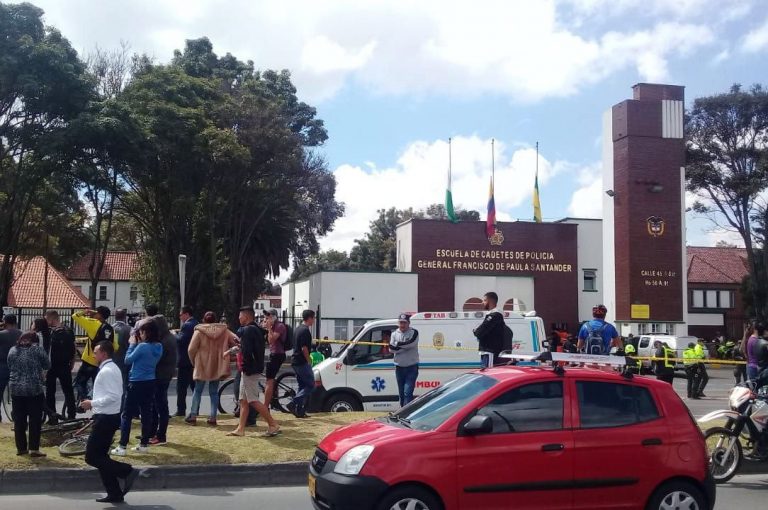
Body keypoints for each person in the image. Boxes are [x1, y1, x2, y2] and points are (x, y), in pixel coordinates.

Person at [81, 341, 147, 503]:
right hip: (106, 417)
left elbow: (114, 396)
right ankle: (114, 493)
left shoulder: (108, 371)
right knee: (101, 456)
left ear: (104, 354)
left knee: (91, 457)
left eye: (96, 352)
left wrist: (92, 403)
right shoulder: (109, 369)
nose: (93, 355)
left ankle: (127, 471)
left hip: (106, 419)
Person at [227, 306, 280, 437]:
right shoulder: (256, 329)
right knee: (243, 401)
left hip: (249, 370)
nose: (238, 318)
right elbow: (246, 348)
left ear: (246, 316)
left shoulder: (246, 330)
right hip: (252, 368)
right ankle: (240, 429)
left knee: (252, 400)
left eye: (240, 316)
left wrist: (235, 356)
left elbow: (246, 351)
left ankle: (273, 424)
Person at [111, 319, 162, 456]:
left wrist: (132, 345)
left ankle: (122, 446)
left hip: (136, 381)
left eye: (142, 332)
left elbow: (127, 360)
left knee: (127, 414)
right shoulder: (158, 346)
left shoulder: (142, 347)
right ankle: (144, 443)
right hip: (150, 381)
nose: (140, 334)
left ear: (147, 333)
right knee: (146, 412)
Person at [186, 311, 238, 425]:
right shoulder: (224, 331)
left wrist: (193, 361)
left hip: (201, 364)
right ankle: (213, 416)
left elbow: (191, 349)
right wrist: (230, 354)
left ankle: (193, 415)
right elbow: (237, 341)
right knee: (214, 392)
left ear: (204, 320)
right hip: (217, 363)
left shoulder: (199, 331)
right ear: (216, 319)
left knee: (197, 391)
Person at [7, 331, 50, 456]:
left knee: (19, 419)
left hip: (16, 388)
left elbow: (10, 365)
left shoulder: (12, 350)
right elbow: (47, 364)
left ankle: (21, 449)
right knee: (35, 419)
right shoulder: (37, 350)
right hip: (34, 389)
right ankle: (34, 449)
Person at [72, 307, 117, 407]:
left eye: (96, 312)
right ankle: (95, 404)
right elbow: (116, 347)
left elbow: (75, 316)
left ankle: (85, 402)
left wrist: (86, 311)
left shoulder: (93, 323)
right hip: (102, 363)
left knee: (79, 383)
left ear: (99, 315)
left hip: (89, 361)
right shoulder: (111, 329)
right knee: (98, 386)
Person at [43, 311, 77, 423]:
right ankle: (71, 416)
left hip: (52, 366)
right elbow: (73, 347)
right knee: (68, 391)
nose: (46, 322)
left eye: (46, 319)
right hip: (65, 365)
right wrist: (72, 362)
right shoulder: (68, 330)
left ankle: (52, 417)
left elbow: (48, 351)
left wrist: (45, 369)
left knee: (50, 392)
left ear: (51, 319)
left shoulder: (50, 332)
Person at [149, 314, 177, 445]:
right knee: (156, 405)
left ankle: (160, 435)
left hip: (161, 375)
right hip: (164, 374)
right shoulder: (169, 337)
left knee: (160, 406)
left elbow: (157, 358)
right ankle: (152, 432)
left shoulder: (164, 341)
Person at [390, 313, 420, 407]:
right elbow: (391, 349)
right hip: (399, 367)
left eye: (404, 323)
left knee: (408, 392)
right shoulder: (394, 334)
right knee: (401, 394)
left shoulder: (414, 332)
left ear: (408, 323)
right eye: (401, 322)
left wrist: (398, 344)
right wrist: (405, 346)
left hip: (411, 367)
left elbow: (411, 344)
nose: (402, 325)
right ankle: (402, 413)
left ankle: (408, 415)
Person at [290, 309, 315, 418]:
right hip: (302, 362)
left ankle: (299, 411)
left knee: (302, 386)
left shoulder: (297, 329)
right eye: (313, 318)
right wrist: (308, 360)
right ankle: (294, 402)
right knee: (310, 385)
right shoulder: (305, 331)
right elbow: (304, 347)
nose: (314, 320)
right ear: (309, 318)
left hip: (295, 361)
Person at [175, 305, 198, 417]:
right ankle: (196, 409)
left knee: (181, 388)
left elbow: (181, 340)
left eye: (181, 314)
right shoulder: (196, 324)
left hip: (185, 361)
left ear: (187, 314)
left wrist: (175, 335)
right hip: (194, 361)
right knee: (195, 387)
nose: (180, 317)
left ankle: (181, 410)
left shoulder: (187, 325)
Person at [263, 309, 287, 412]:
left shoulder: (280, 326)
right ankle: (274, 400)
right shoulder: (272, 326)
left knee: (269, 380)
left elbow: (271, 340)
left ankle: (265, 406)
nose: (266, 319)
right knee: (271, 380)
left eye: (268, 317)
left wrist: (269, 328)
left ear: (274, 317)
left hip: (278, 354)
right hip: (273, 354)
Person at [0, 314, 22, 422]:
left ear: (5, 322)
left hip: (3, 365)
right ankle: (16, 414)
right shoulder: (22, 334)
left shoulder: (2, 334)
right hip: (18, 366)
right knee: (17, 392)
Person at [473, 291, 504, 367]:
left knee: (490, 373)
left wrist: (475, 331)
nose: (482, 302)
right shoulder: (491, 315)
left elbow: (480, 331)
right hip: (486, 351)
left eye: (484, 300)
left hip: (490, 351)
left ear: (490, 301)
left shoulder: (495, 315)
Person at [112, 309, 132, 390]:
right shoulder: (130, 329)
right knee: (123, 384)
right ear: (125, 317)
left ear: (115, 317)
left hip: (112, 359)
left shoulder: (110, 328)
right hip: (125, 360)